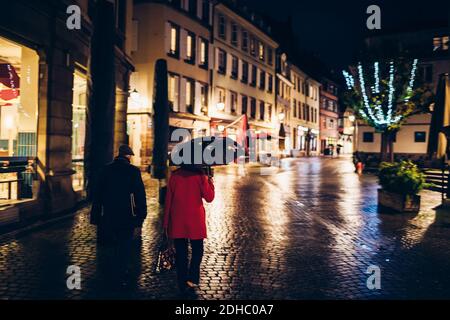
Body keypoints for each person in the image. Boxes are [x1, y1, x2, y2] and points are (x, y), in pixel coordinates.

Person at [90, 144, 147, 288]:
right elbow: (140, 195)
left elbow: (97, 195)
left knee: (111, 243)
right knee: (125, 244)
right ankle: (122, 270)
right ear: (128, 156)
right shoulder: (133, 171)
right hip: (127, 214)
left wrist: (95, 215)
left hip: (109, 213)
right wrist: (141, 215)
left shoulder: (106, 169)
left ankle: (110, 271)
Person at [163, 164, 215, 293]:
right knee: (197, 251)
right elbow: (209, 198)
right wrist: (210, 182)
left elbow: (168, 200)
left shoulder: (175, 176)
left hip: (177, 220)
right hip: (195, 221)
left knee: (181, 253)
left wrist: (165, 224)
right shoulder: (200, 176)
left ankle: (182, 281)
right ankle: (192, 278)